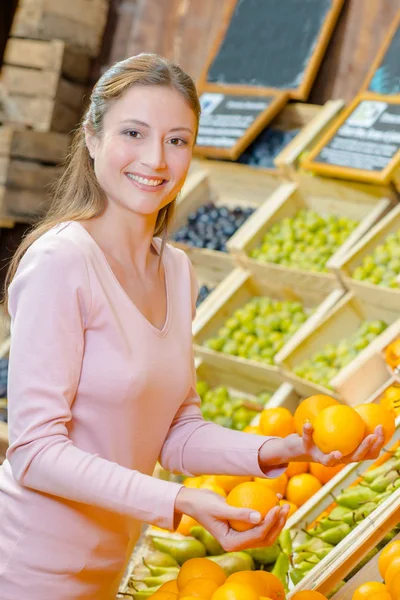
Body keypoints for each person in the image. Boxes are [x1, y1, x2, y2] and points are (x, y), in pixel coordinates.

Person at [0, 54, 385, 600]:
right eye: (134, 132)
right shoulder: (61, 263)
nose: (155, 159)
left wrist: (279, 452)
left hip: (108, 566)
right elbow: (35, 451)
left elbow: (176, 430)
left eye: (177, 140)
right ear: (91, 137)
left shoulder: (176, 271)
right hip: (25, 567)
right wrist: (178, 502)